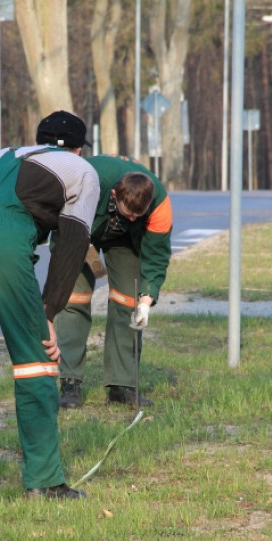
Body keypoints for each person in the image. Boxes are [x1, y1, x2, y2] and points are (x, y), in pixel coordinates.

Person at [0, 111, 100, 500]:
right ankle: (44, 481)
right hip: (2, 245)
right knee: (37, 361)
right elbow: (72, 245)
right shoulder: (82, 171)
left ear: (38, 139)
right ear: (79, 149)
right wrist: (48, 313)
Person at [54, 155, 173, 409]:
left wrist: (145, 302)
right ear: (115, 195)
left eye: (138, 216)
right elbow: (61, 225)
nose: (133, 219)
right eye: (128, 213)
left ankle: (122, 386)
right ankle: (70, 384)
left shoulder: (159, 206)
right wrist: (84, 262)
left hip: (125, 241)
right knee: (73, 300)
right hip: (81, 232)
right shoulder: (87, 181)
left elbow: (156, 257)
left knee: (128, 302)